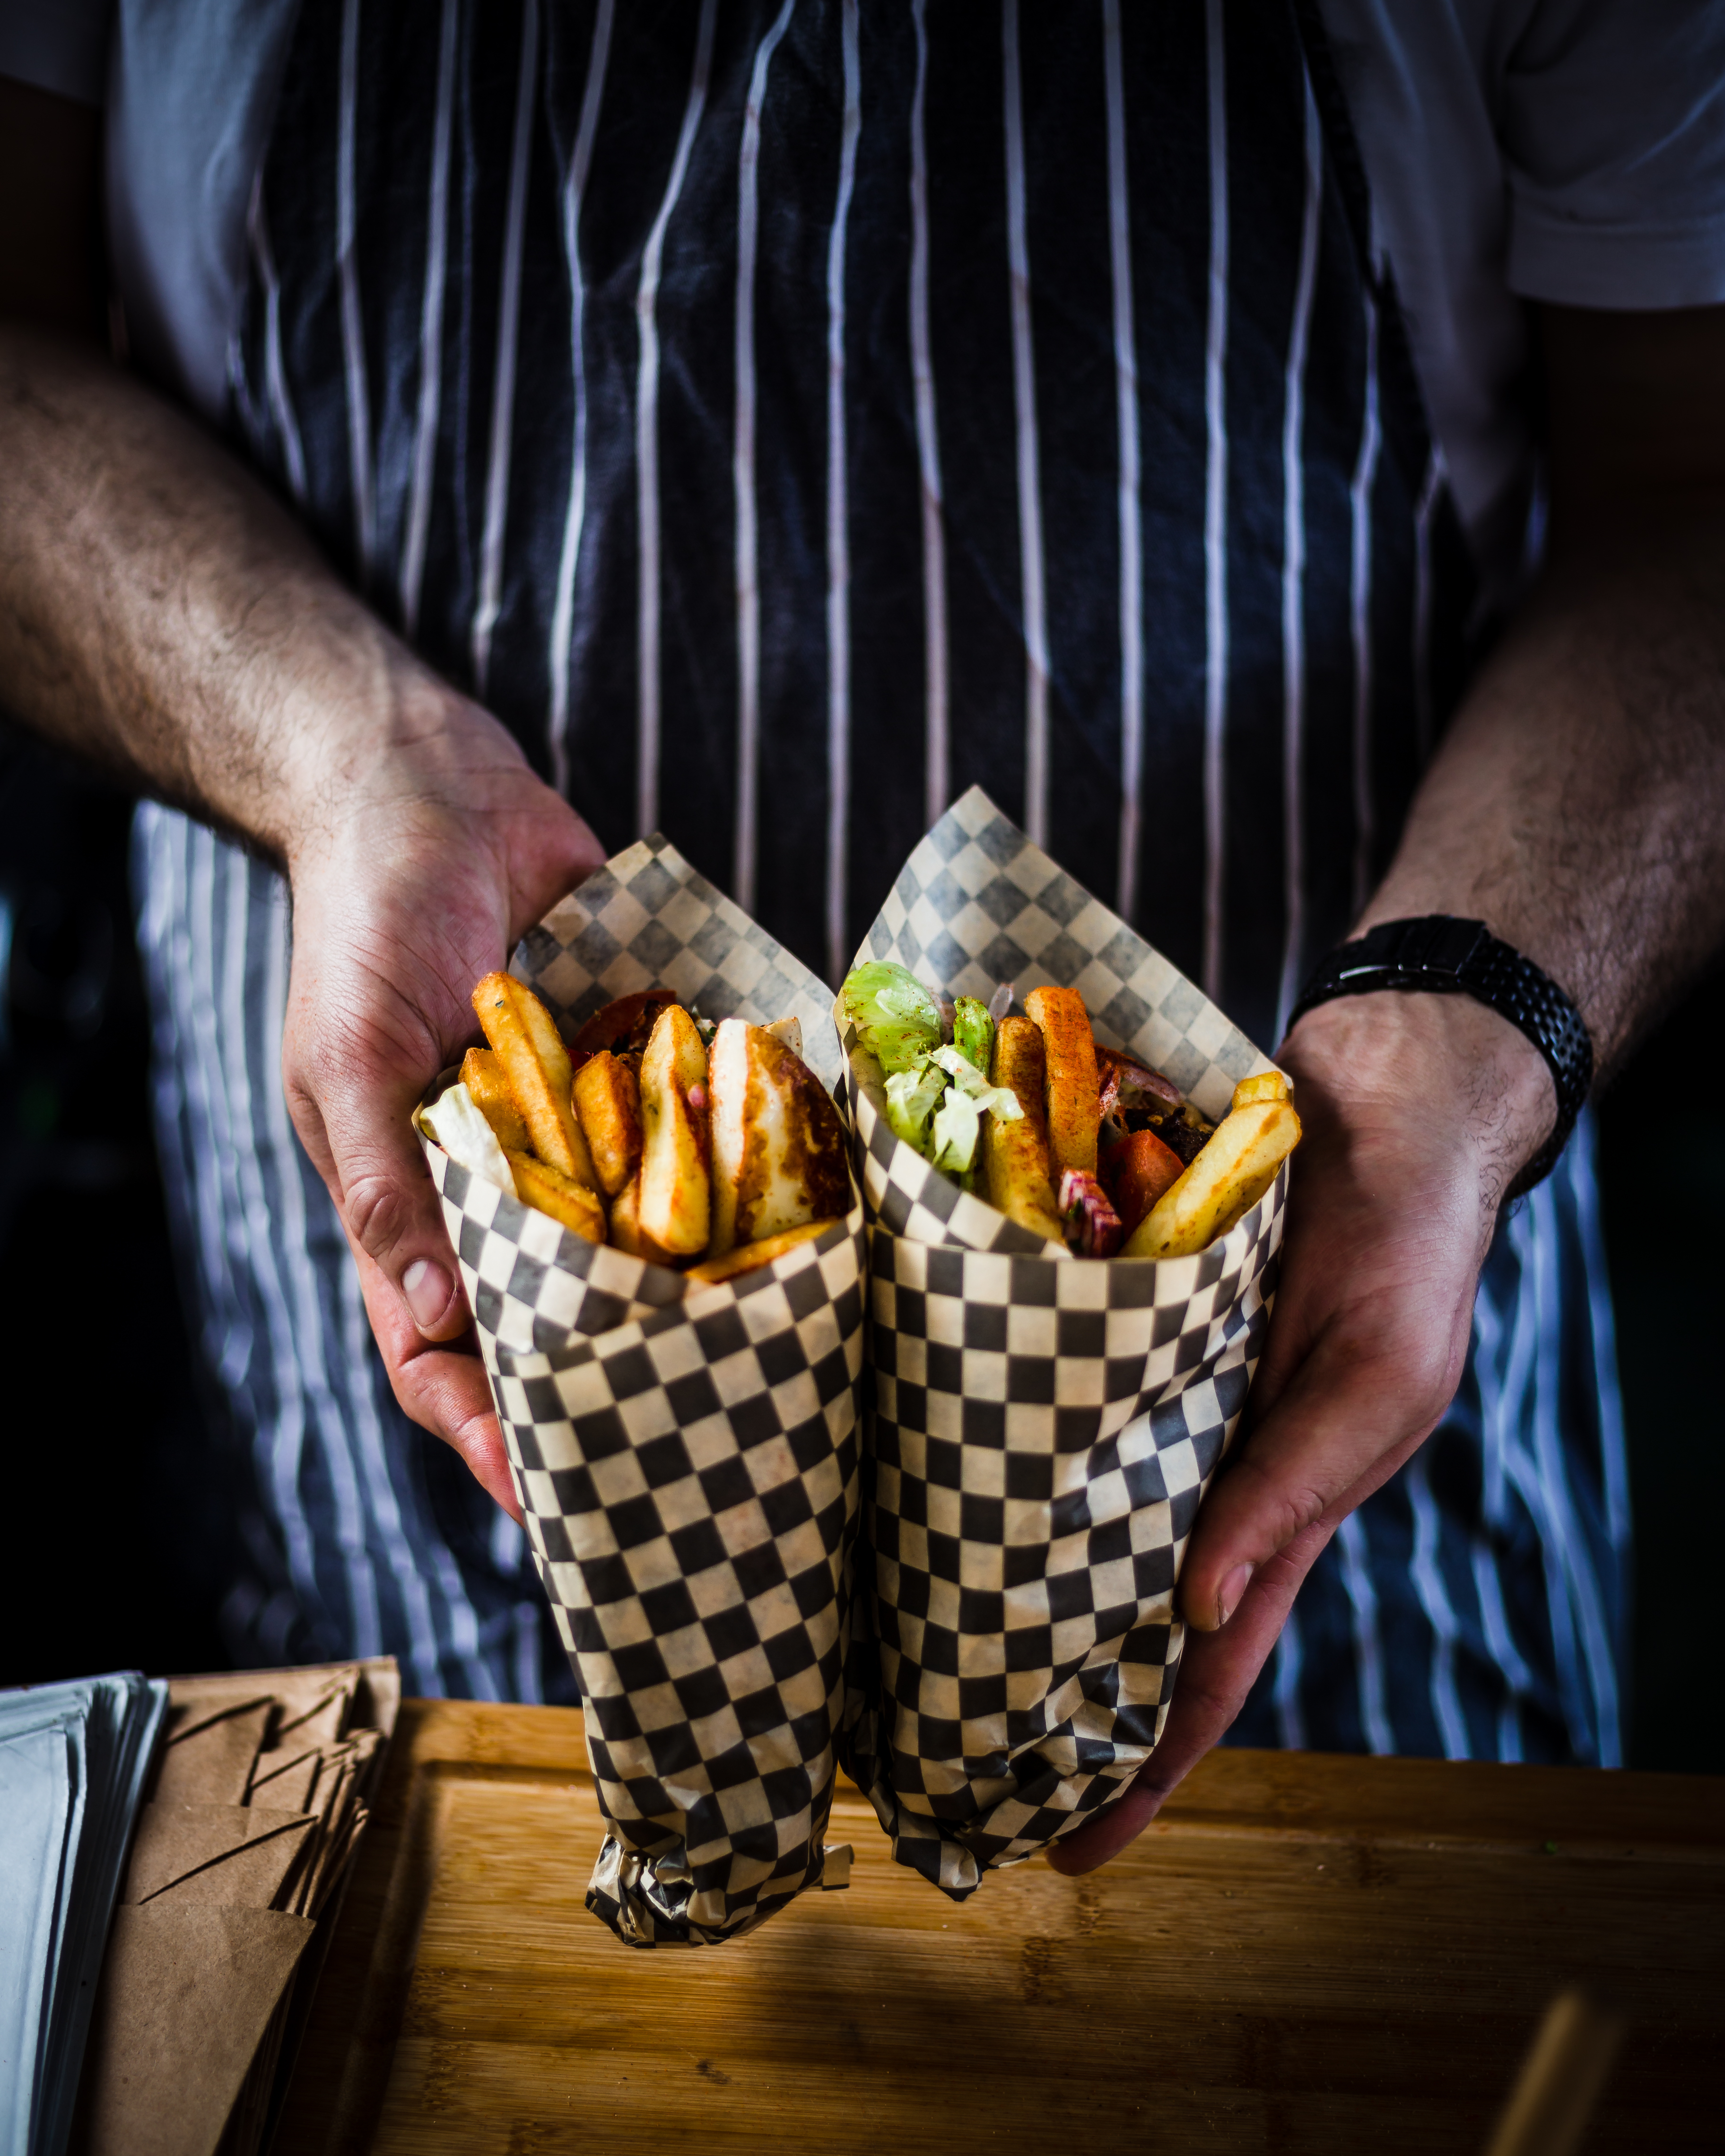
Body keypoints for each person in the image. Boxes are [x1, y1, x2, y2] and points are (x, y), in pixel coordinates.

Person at [1, 0, 1722, 1868]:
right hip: (439, 1460)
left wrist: (1457, 1039)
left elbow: (1691, 494)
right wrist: (341, 759)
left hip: (1298, 1405)